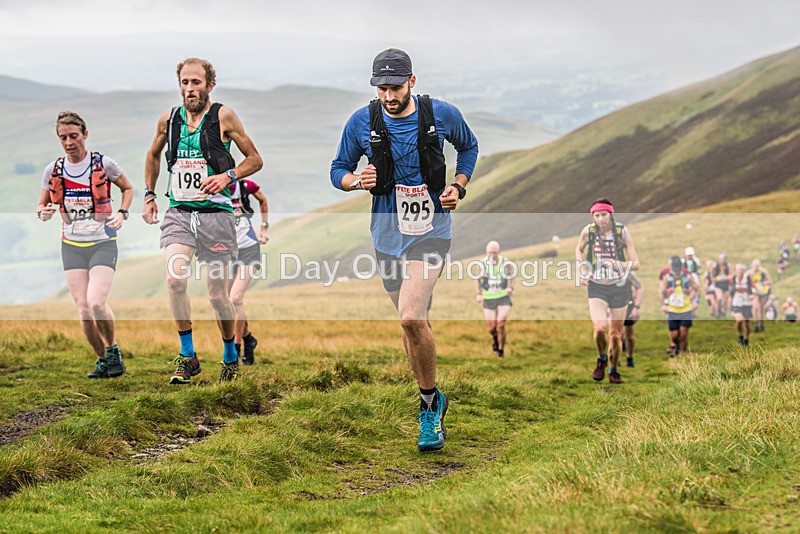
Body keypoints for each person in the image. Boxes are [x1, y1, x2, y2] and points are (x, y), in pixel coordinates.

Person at [330, 48, 478, 451]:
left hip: (432, 230)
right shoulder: (361, 121)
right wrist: (355, 181)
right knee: (409, 323)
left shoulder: (441, 114)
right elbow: (337, 169)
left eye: (395, 87)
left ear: (412, 81)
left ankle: (429, 409)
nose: (388, 96)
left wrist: (458, 185)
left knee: (412, 317)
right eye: (381, 88)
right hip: (387, 236)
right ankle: (432, 395)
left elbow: (469, 147)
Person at [143, 58, 263, 384]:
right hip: (180, 213)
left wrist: (228, 176)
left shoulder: (224, 116)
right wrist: (149, 194)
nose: (190, 89)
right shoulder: (168, 120)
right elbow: (153, 154)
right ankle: (188, 356)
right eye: (185, 82)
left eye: (196, 82)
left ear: (210, 85)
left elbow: (255, 159)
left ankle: (229, 356)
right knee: (174, 280)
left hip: (217, 217)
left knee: (217, 296)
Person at [37, 111, 133, 378]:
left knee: (96, 303)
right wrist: (44, 213)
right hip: (71, 245)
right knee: (83, 310)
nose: (69, 143)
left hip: (102, 242)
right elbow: (42, 205)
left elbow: (127, 188)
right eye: (63, 138)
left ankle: (112, 349)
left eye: (73, 136)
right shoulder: (53, 170)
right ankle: (103, 361)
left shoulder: (103, 164)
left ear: (85, 135)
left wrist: (122, 213)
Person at [575, 199, 640, 384]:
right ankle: (602, 358)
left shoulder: (622, 232)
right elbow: (578, 250)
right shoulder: (588, 231)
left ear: (610, 214)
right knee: (599, 329)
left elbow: (636, 264)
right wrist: (582, 270)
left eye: (604, 214)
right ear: (593, 217)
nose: (601, 219)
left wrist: (618, 264)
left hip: (619, 287)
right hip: (597, 286)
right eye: (597, 215)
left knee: (615, 335)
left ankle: (613, 370)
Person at [228, 176, 269, 365]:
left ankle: (235, 349)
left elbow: (263, 200)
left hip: (249, 248)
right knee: (228, 303)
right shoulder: (212, 188)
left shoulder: (244, 185)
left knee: (235, 298)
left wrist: (264, 228)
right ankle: (249, 339)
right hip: (227, 251)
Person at [474, 241, 514, 357]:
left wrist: (511, 287)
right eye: (490, 252)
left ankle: (501, 351)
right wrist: (478, 293)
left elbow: (512, 275)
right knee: (492, 328)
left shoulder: (505, 262)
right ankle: (495, 338)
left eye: (495, 252)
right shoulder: (482, 264)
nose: (492, 255)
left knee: (500, 325)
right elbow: (476, 279)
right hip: (488, 298)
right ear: (486, 252)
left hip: (503, 297)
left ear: (499, 252)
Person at [660, 255, 699, 356]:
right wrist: (664, 304)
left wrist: (692, 299)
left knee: (683, 331)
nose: (677, 272)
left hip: (685, 309)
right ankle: (676, 346)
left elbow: (696, 288)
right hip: (672, 310)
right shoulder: (667, 278)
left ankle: (683, 352)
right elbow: (662, 291)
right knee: (674, 335)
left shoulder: (687, 277)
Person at [621, 272, 643, 368]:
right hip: (612, 305)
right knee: (615, 334)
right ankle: (615, 360)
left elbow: (639, 287)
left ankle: (629, 357)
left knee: (628, 335)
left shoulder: (628, 273)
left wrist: (636, 308)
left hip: (628, 305)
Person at [730, 263, 755, 346]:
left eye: (742, 270)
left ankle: (746, 339)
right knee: (739, 321)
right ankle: (740, 336)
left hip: (747, 303)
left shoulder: (748, 279)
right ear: (736, 270)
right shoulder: (734, 278)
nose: (740, 272)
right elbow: (730, 289)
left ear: (744, 271)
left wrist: (752, 294)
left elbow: (754, 287)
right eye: (739, 270)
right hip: (737, 302)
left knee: (746, 323)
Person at [749, 258, 772, 333]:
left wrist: (763, 283)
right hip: (755, 293)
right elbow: (747, 282)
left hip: (763, 292)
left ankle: (761, 324)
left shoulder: (763, 271)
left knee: (760, 309)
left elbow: (770, 281)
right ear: (752, 265)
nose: (756, 267)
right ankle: (756, 325)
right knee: (755, 307)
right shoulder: (750, 273)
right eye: (754, 265)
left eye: (757, 265)